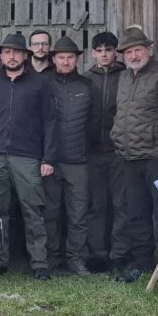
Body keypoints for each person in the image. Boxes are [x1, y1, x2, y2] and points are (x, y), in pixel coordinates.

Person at [0, 33, 57, 280]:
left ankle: (40, 263)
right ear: (1, 56)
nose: (11, 56)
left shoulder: (40, 83)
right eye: (7, 52)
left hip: (28, 157)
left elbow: (50, 122)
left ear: (25, 55)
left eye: (16, 52)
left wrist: (48, 158)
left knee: (33, 210)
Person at [109, 27, 158, 283]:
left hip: (157, 159)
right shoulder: (124, 78)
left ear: (149, 50)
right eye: (129, 51)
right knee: (135, 213)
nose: (133, 55)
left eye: (138, 50)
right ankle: (142, 263)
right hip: (128, 159)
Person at [44, 36, 95, 276]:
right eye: (61, 57)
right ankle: (52, 258)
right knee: (50, 212)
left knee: (78, 212)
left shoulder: (87, 85)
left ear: (77, 60)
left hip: (79, 161)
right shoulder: (42, 83)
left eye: (70, 57)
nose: (66, 61)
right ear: (53, 59)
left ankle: (76, 258)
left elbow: (96, 123)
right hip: (50, 160)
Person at [83, 31, 124, 271]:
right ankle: (97, 254)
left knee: (120, 203)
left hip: (118, 151)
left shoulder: (125, 77)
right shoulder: (86, 79)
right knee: (96, 204)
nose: (104, 54)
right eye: (99, 50)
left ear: (115, 52)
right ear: (93, 53)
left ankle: (118, 254)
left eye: (108, 50)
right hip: (92, 152)